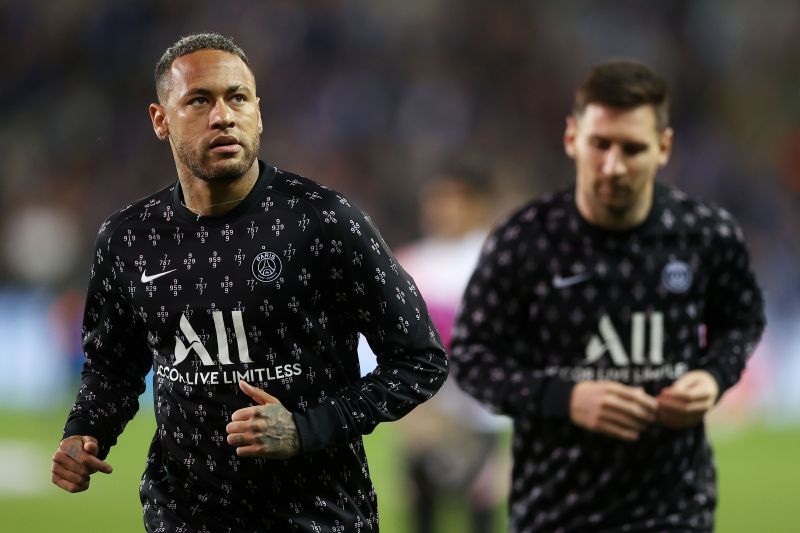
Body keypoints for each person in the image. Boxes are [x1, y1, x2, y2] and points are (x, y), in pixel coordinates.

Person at [50, 32, 447, 532]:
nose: (223, 116)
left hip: (318, 516)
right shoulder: (129, 239)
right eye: (199, 100)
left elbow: (420, 360)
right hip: (182, 515)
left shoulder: (324, 222)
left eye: (237, 97)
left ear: (258, 111)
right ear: (160, 120)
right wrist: (86, 431)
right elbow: (112, 366)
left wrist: (307, 429)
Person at [450, 60, 766, 532]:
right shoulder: (524, 241)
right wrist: (565, 398)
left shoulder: (705, 234)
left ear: (663, 148)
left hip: (674, 510)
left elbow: (741, 322)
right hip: (554, 512)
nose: (613, 166)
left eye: (633, 149)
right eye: (600, 144)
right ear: (572, 138)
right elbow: (471, 358)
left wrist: (713, 376)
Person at [394, 161, 511, 533]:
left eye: (452, 199)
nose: (440, 209)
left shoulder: (498, 262)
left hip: (482, 416)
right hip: (426, 415)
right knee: (423, 514)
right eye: (435, 200)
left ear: (476, 203)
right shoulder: (409, 264)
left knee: (481, 515)